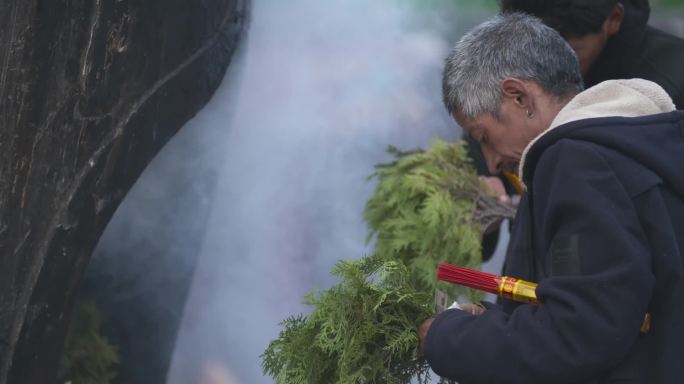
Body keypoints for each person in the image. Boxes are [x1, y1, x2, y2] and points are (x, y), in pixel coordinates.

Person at [420, 13, 684, 383]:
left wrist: (452, 338)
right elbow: (603, 303)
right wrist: (497, 320)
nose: (492, 162)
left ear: (520, 97)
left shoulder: (577, 163)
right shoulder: (633, 143)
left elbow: (581, 332)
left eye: (483, 136)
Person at [473, 0, 684, 262]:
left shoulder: (673, 80)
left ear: (613, 19)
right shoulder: (510, 68)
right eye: (525, 63)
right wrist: (481, 190)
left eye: (571, 50)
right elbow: (481, 154)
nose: (542, 74)